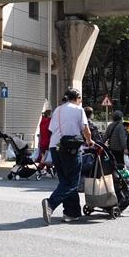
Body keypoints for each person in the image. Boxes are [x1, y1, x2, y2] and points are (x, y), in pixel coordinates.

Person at [41, 88, 94, 224]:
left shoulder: (58, 110)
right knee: (73, 182)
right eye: (80, 98)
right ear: (76, 97)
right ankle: (50, 203)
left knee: (65, 181)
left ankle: (71, 213)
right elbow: (85, 129)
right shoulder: (78, 109)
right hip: (69, 149)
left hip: (55, 147)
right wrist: (89, 141)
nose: (81, 101)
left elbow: (52, 129)